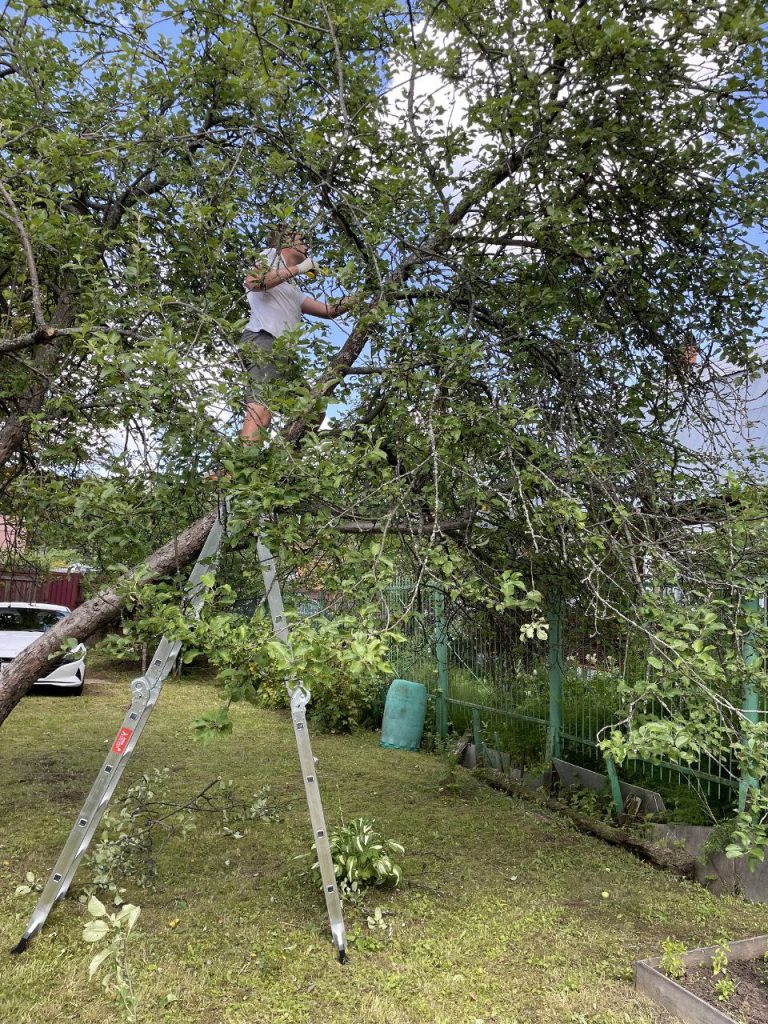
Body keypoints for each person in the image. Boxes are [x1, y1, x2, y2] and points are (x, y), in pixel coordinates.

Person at [238, 227, 354, 441]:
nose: (306, 246)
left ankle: (285, 455)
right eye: (301, 240)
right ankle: (243, 460)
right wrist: (300, 268)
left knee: (313, 409)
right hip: (264, 340)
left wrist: (361, 297)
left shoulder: (292, 289)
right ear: (286, 241)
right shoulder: (270, 256)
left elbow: (329, 311)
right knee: (261, 407)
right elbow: (254, 282)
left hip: (283, 354)